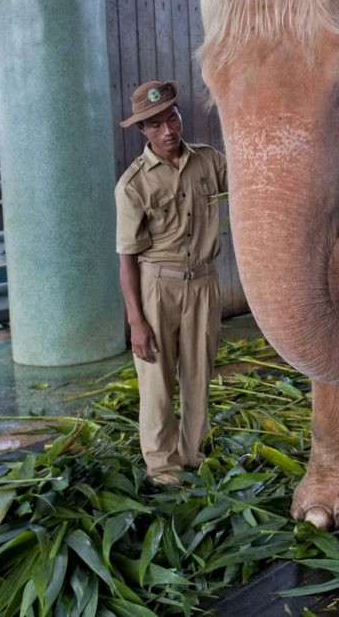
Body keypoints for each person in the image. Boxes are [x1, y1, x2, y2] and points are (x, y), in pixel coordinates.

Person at [114, 80, 227, 486]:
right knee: (157, 382)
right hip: (157, 287)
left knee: (199, 373)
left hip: (204, 283)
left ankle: (194, 455)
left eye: (172, 118)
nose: (168, 130)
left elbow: (249, 187)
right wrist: (136, 322)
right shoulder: (133, 185)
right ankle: (162, 468)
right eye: (156, 124)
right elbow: (126, 258)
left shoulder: (210, 163)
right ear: (142, 131)